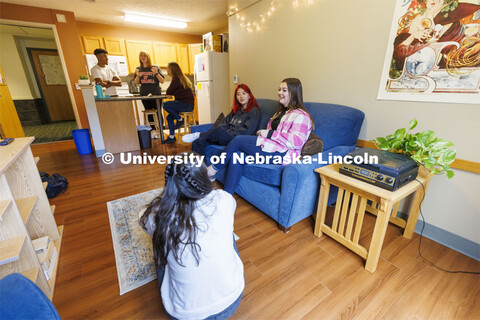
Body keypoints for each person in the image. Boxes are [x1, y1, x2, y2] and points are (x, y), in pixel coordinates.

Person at [139, 155, 244, 320]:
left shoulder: (156, 216)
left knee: (159, 239)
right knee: (226, 230)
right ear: (203, 177)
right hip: (233, 299)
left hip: (185, 315)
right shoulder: (224, 199)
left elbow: (143, 222)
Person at [207, 78, 313, 195]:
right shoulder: (280, 113)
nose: (279, 92)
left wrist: (269, 133)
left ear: (294, 93)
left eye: (284, 90)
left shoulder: (301, 115)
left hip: (283, 154)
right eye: (279, 89)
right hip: (271, 148)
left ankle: (213, 169)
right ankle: (226, 198)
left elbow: (297, 141)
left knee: (238, 140)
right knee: (237, 156)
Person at [392, 0, 480, 73]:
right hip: (441, 61)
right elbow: (402, 51)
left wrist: (431, 14)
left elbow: (435, 41)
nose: (434, 0)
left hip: (462, 51)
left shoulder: (451, 11)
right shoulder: (418, 19)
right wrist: (430, 15)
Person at [182, 84, 261, 155]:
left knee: (219, 130)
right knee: (197, 143)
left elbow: (248, 131)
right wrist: (222, 131)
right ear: (236, 97)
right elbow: (224, 122)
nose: (241, 96)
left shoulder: (254, 111)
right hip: (225, 136)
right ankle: (200, 169)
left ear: (249, 95)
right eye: (238, 94)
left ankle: (199, 134)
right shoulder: (236, 110)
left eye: (244, 93)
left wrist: (225, 132)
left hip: (237, 138)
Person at [162, 62, 195, 144]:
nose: (167, 70)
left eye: (168, 69)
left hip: (185, 105)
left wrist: (169, 94)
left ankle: (180, 119)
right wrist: (170, 94)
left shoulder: (176, 79)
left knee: (165, 104)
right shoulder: (180, 78)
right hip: (186, 105)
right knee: (169, 117)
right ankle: (172, 137)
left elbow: (169, 91)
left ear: (172, 70)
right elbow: (174, 91)